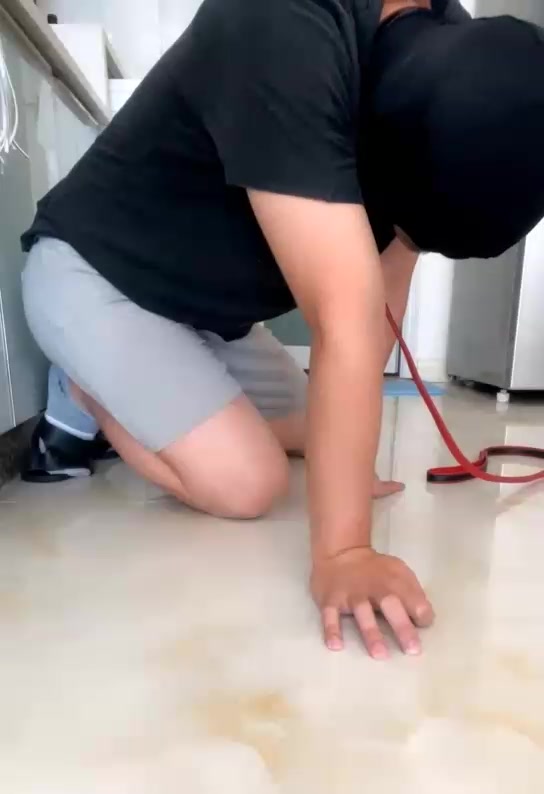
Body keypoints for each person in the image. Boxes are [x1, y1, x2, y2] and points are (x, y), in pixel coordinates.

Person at [20, 0, 544, 657]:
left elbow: (382, 288)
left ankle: (172, 402)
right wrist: (345, 549)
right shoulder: (284, 26)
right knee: (249, 482)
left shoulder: (452, 57)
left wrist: (348, 463)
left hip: (214, 320)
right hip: (98, 277)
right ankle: (83, 387)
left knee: (323, 427)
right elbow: (345, 317)